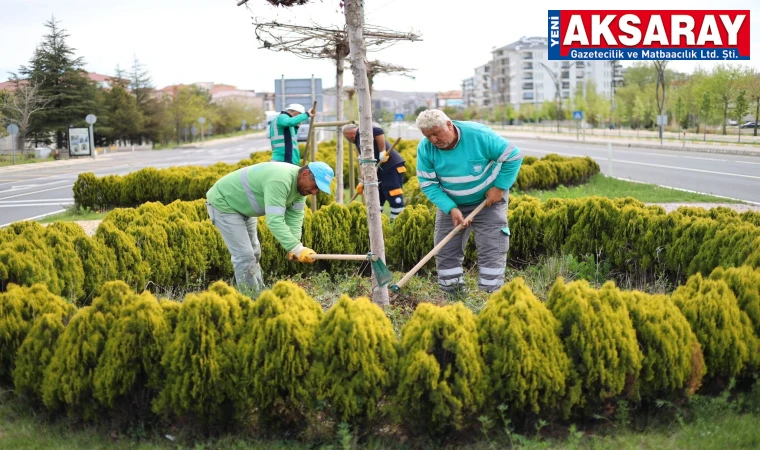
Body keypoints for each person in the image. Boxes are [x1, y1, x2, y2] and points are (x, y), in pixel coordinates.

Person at [415, 109, 523, 293]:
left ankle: (490, 296)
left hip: (488, 201)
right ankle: (452, 295)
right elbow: (428, 184)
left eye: (436, 133)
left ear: (449, 125)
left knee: (492, 248)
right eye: (428, 136)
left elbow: (513, 156)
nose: (433, 140)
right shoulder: (425, 148)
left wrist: (499, 188)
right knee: (446, 249)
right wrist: (450, 208)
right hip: (451, 203)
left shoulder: (479, 136)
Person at [205, 160, 334, 293]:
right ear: (305, 174)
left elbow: (295, 217)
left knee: (255, 253)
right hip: (225, 204)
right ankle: (251, 301)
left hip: (242, 207)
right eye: (316, 186)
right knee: (244, 256)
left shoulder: (301, 189)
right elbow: (274, 221)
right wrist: (298, 249)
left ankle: (259, 293)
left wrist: (294, 247)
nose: (314, 192)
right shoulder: (280, 180)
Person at [342, 123, 406, 220]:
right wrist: (362, 181)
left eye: (346, 138)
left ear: (348, 133)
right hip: (379, 169)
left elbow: (378, 131)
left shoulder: (363, 131)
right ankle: (376, 221)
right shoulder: (359, 141)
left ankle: (398, 220)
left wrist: (382, 152)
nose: (348, 141)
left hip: (391, 166)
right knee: (377, 194)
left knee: (393, 192)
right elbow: (366, 163)